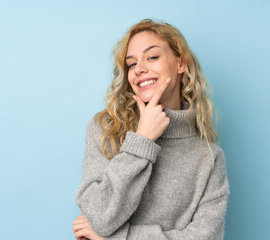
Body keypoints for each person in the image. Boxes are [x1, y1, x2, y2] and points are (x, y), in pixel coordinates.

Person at [72, 18, 230, 240]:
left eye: (152, 57)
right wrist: (142, 139)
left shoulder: (210, 158)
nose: (139, 69)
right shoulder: (106, 130)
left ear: (180, 64)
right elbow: (98, 217)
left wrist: (118, 238)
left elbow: (206, 237)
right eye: (132, 64)